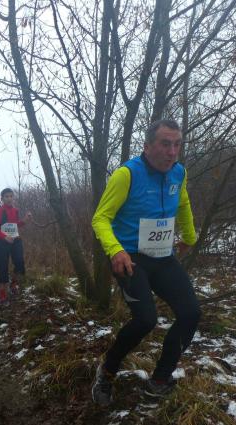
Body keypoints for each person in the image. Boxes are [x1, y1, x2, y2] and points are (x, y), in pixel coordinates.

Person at [90, 119, 200, 406]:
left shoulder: (179, 173)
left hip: (162, 255)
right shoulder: (127, 175)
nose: (172, 151)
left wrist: (190, 236)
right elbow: (101, 218)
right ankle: (107, 371)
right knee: (145, 320)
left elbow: (183, 203)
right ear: (147, 146)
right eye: (165, 144)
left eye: (177, 144)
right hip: (130, 258)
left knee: (191, 313)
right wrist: (115, 250)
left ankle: (159, 380)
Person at [0, 188, 32, 304]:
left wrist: (25, 220)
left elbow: (15, 225)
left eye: (11, 196)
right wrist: (5, 237)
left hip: (15, 240)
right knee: (3, 267)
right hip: (2, 242)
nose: (9, 198)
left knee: (19, 263)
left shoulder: (15, 210)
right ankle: (2, 294)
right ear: (2, 198)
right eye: (7, 196)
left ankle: (13, 284)